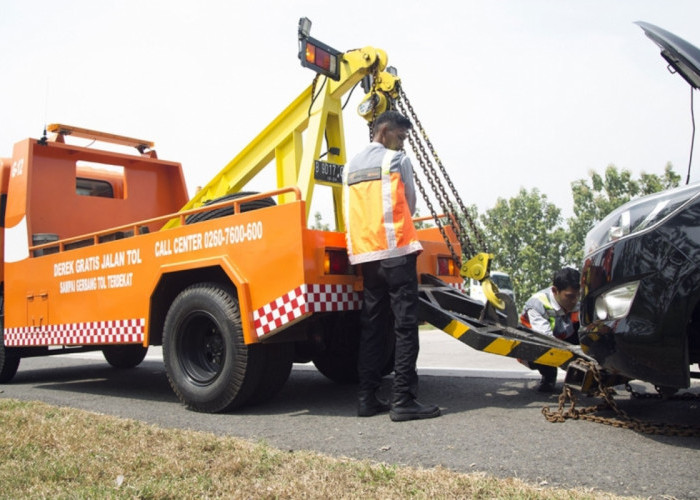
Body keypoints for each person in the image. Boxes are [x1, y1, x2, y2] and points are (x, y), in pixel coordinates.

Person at [343, 110, 440, 422]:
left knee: (372, 327)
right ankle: (403, 400)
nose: (402, 144)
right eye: (400, 136)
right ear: (383, 131)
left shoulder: (351, 165)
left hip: (367, 257)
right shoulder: (396, 161)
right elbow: (408, 205)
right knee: (405, 326)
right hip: (397, 251)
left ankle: (366, 399)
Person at [519, 267, 581, 392]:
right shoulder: (537, 304)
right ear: (555, 290)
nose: (575, 300)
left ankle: (578, 377)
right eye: (570, 296)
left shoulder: (579, 300)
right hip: (539, 342)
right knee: (540, 348)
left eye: (578, 295)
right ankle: (549, 376)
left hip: (566, 335)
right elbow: (546, 341)